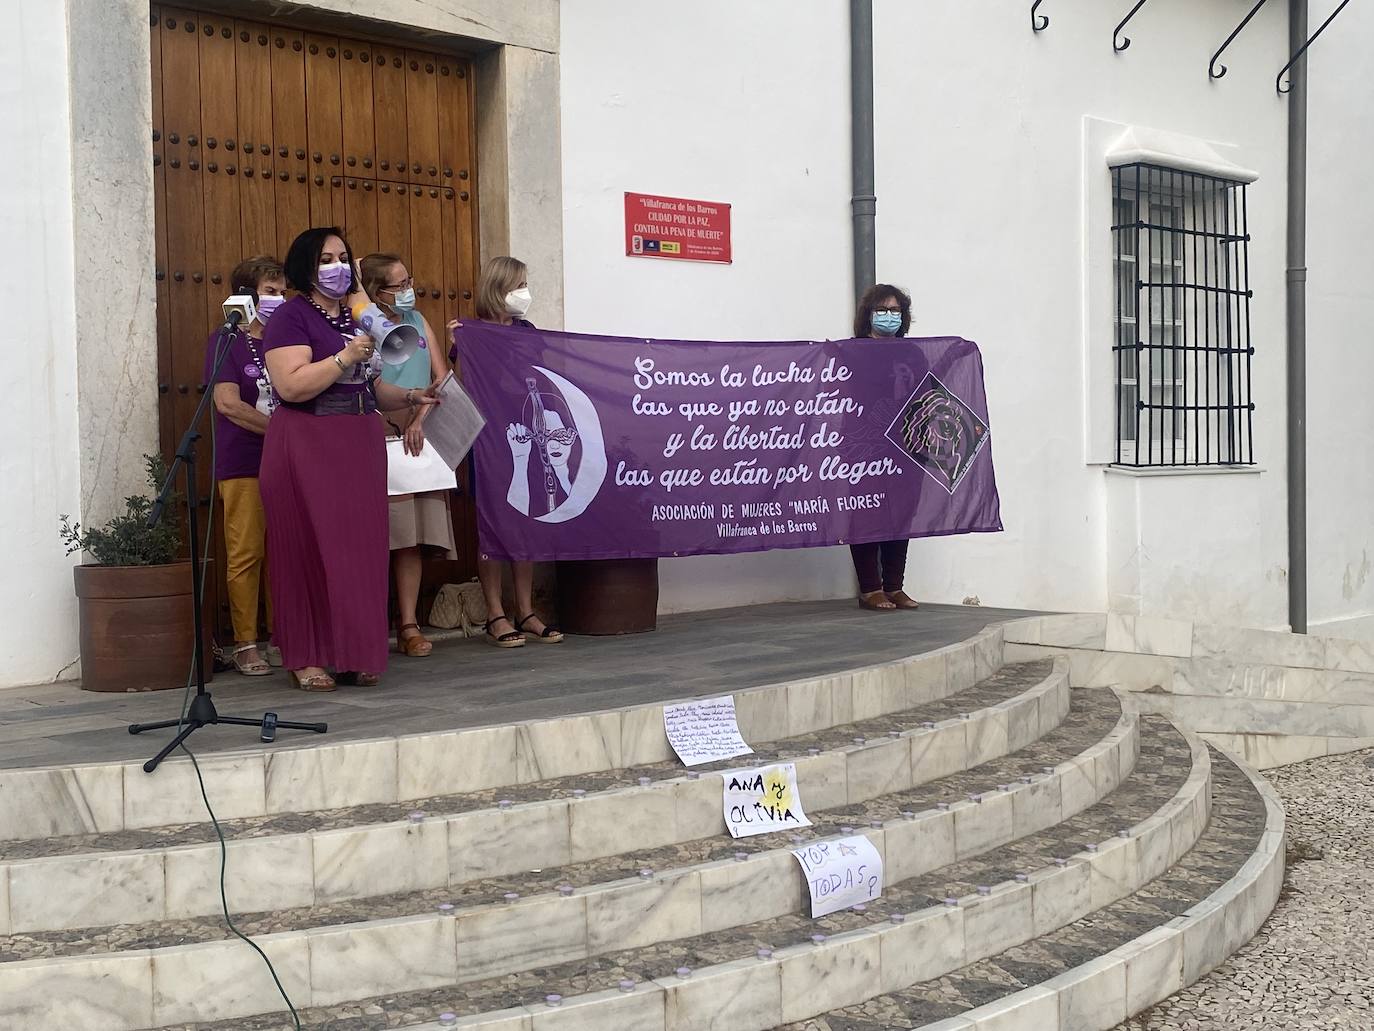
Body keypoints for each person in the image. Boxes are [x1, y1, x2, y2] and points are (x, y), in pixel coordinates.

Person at [259, 227, 437, 691]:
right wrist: (342, 357)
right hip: (307, 438)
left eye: (342, 257)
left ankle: (354, 652)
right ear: (305, 266)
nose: (336, 267)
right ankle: (309, 656)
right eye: (324, 259)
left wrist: (413, 394)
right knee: (307, 548)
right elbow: (292, 385)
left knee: (358, 549)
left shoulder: (359, 316)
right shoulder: (291, 318)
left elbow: (372, 386)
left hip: (358, 438)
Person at [449, 255, 562, 647]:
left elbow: (543, 378)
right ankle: (496, 613)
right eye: (518, 284)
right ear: (498, 290)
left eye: (525, 283)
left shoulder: (527, 331)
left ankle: (526, 610)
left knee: (525, 519)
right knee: (492, 523)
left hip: (528, 437)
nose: (524, 292)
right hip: (488, 441)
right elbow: (459, 386)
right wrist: (458, 345)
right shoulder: (471, 331)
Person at [358, 252, 454, 658]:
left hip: (418, 436)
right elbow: (369, 381)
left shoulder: (417, 321)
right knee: (379, 536)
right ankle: (367, 623)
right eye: (398, 285)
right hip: (377, 434)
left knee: (411, 538)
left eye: (408, 280)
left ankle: (409, 623)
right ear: (378, 293)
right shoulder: (364, 326)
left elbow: (442, 376)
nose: (408, 290)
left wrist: (420, 418)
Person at [203, 256, 287, 675]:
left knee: (283, 552)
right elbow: (228, 403)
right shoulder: (226, 340)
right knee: (247, 552)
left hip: (286, 463)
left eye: (281, 290)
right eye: (271, 291)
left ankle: (283, 636)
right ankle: (245, 643)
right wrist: (279, 432)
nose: (279, 298)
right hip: (244, 462)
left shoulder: (284, 339)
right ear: (247, 295)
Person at [850, 283, 920, 611]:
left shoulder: (913, 353)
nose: (889, 316)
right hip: (864, 445)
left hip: (905, 446)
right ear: (869, 314)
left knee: (901, 515)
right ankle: (870, 589)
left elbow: (924, 395)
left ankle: (894, 586)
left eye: (895, 311)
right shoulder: (852, 351)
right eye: (883, 310)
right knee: (866, 513)